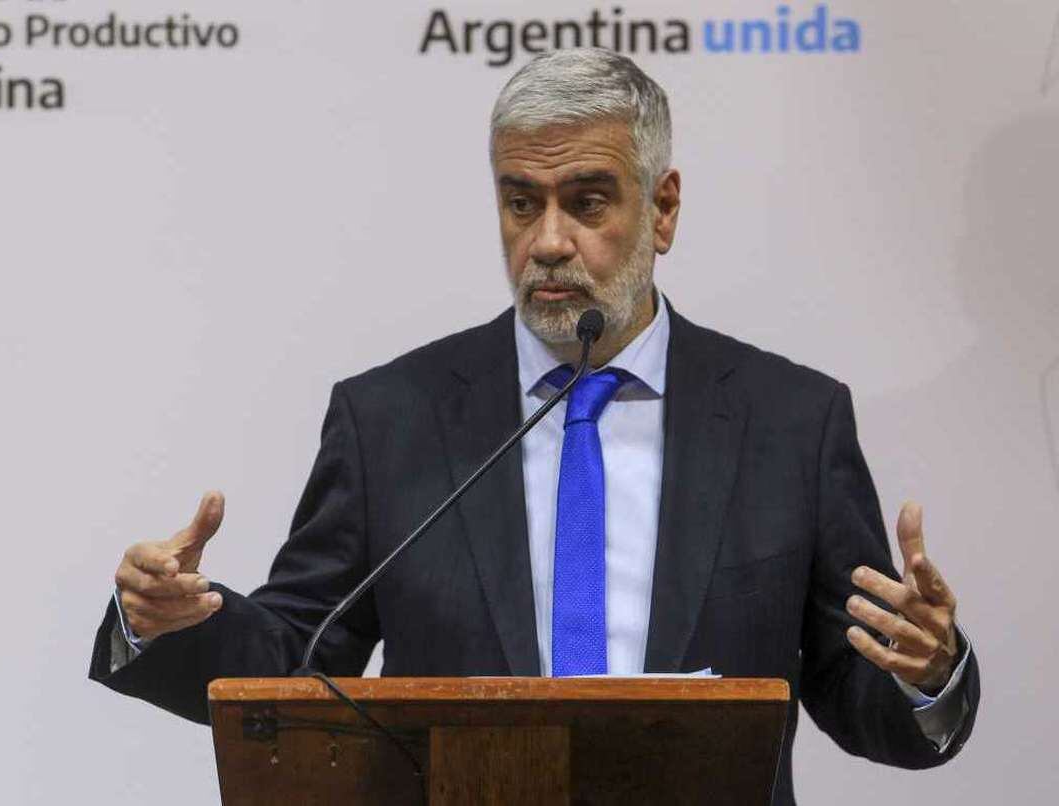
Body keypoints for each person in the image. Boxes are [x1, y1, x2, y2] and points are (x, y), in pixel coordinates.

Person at [88, 49, 979, 804]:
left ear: (662, 209)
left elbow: (852, 686)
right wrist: (167, 623)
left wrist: (925, 671)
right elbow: (301, 657)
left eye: (587, 202)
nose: (548, 241)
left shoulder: (792, 421)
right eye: (521, 203)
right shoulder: (392, 417)